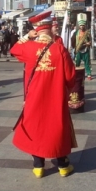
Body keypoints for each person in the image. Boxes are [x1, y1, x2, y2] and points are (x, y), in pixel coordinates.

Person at [10, 9, 77, 178]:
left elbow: (14, 49)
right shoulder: (60, 49)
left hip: (34, 97)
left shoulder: (29, 48)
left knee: (36, 127)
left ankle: (38, 166)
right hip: (55, 97)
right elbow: (71, 76)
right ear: (50, 28)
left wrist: (27, 36)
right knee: (57, 128)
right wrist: (67, 90)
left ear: (37, 30)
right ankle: (62, 165)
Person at [71, 14, 93, 80]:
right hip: (78, 50)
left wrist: (89, 43)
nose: (82, 26)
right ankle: (76, 74)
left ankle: (89, 74)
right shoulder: (76, 33)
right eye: (81, 25)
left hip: (85, 49)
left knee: (87, 63)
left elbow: (90, 40)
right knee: (77, 63)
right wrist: (73, 47)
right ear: (79, 26)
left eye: (83, 25)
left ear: (84, 25)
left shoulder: (87, 33)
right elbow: (73, 40)